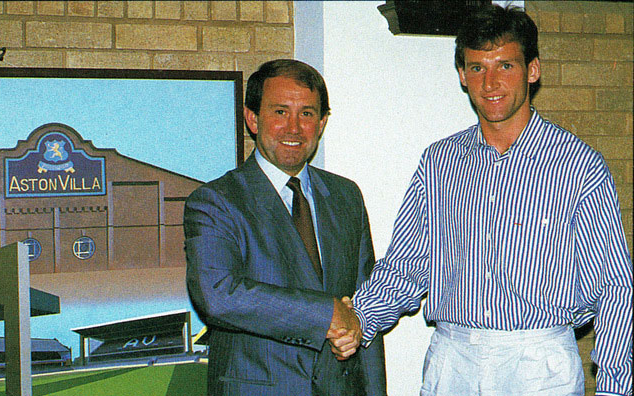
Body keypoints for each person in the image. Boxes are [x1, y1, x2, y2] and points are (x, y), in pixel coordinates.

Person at [342, 5, 632, 396]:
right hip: (453, 360)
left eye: (505, 66)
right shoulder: (439, 161)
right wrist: (359, 318)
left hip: (539, 364)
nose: (491, 83)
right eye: (477, 68)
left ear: (533, 70)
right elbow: (407, 265)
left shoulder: (579, 166)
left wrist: (615, 386)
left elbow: (614, 285)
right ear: (462, 75)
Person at [184, 59, 386, 396]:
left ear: (321, 123)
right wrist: (327, 313)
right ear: (252, 118)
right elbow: (217, 295)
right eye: (280, 112)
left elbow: (365, 302)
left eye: (307, 114)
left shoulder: (345, 196)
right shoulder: (215, 201)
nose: (294, 128)